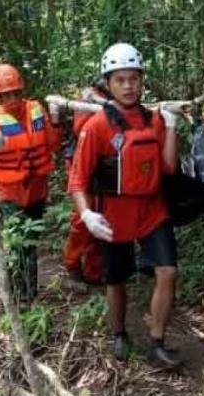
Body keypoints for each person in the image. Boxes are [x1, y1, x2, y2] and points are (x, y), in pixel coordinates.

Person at [68, 43, 182, 368]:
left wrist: (171, 127)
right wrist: (87, 214)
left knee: (167, 271)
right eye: (121, 80)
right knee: (115, 279)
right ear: (109, 83)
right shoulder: (97, 126)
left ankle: (158, 342)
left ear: (142, 81)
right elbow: (77, 179)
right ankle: (118, 333)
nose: (129, 86)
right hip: (114, 215)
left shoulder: (154, 119)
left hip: (152, 210)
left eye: (134, 79)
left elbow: (169, 167)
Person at [0, 63, 61, 301]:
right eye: (7, 95)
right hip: (9, 190)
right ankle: (18, 294)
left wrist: (56, 122)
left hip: (37, 187)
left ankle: (30, 293)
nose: (13, 98)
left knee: (31, 243)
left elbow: (53, 145)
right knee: (18, 242)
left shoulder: (36, 109)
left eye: (16, 92)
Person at [62, 86, 106, 286]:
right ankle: (72, 265)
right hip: (81, 161)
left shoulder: (125, 99)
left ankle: (95, 272)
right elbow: (80, 129)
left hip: (106, 166)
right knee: (83, 219)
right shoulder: (89, 97)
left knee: (104, 216)